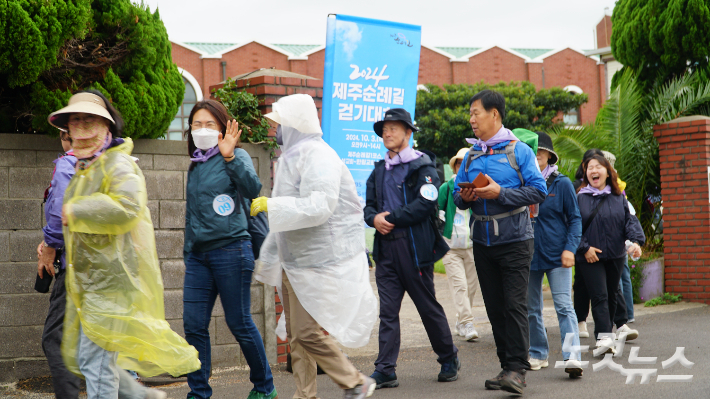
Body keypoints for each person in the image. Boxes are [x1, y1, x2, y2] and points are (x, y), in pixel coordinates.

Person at [50, 91, 200, 399]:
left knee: (96, 363)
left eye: (88, 120)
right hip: (94, 282)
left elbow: (127, 206)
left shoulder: (117, 164)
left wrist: (77, 210)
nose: (80, 128)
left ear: (106, 126)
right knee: (92, 358)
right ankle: (142, 395)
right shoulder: (88, 166)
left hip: (112, 283)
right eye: (74, 121)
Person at [253, 94, 378, 399]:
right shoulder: (290, 157)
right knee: (297, 338)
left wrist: (273, 204)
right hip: (296, 262)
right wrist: (272, 257)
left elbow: (319, 206)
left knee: (308, 333)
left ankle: (355, 381)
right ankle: (304, 394)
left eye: (280, 123)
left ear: (296, 123)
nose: (276, 130)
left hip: (319, 263)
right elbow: (287, 220)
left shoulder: (318, 156)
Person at [453, 90, 547, 395]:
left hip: (517, 240)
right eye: (470, 114)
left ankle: (518, 370)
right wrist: (465, 197)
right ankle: (507, 367)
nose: (471, 119)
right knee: (494, 308)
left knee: (515, 305)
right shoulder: (471, 155)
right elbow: (457, 196)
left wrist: (501, 194)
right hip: (482, 242)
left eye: (476, 112)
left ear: (495, 114)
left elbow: (538, 190)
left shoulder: (518, 151)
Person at [182, 99, 277, 399]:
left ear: (223, 128)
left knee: (239, 323)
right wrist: (188, 253)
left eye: (209, 124)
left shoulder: (237, 155)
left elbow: (253, 189)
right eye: (197, 124)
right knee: (194, 325)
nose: (202, 129)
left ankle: (265, 387)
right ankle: (199, 393)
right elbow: (191, 214)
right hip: (199, 257)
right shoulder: (196, 164)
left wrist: (230, 158)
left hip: (232, 251)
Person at [364, 108, 458, 389]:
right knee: (388, 312)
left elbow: (425, 203)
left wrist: (389, 218)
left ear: (408, 133)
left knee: (427, 307)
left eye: (394, 128)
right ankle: (385, 369)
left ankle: (449, 358)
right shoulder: (379, 169)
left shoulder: (423, 166)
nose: (388, 133)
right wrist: (373, 219)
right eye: (384, 129)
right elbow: (368, 206)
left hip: (415, 249)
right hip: (386, 251)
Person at [574, 154, 645, 355]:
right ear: (585, 173)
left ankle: (609, 334)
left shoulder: (618, 197)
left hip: (615, 254)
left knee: (612, 295)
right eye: (590, 168)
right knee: (599, 295)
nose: (594, 171)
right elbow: (571, 226)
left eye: (598, 167)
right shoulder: (579, 197)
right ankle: (603, 337)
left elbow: (629, 222)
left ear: (607, 172)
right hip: (590, 256)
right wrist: (584, 248)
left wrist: (635, 243)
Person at [526, 132, 583, 377]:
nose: (537, 154)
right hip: (528, 255)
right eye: (533, 150)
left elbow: (575, 219)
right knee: (531, 309)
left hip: (559, 255)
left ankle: (572, 357)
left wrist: (571, 248)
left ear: (550, 155)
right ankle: (538, 353)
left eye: (542, 151)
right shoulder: (522, 182)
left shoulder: (562, 183)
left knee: (563, 305)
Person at [38, 130, 80, 399]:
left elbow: (60, 210)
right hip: (102, 269)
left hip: (74, 268)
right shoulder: (114, 161)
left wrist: (50, 248)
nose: (66, 137)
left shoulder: (68, 163)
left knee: (54, 339)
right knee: (96, 346)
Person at [438, 147, 479, 341]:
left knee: (471, 287)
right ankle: (467, 321)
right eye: (459, 162)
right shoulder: (446, 187)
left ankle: (461, 321)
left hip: (472, 244)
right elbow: (437, 212)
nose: (462, 165)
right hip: (450, 246)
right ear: (454, 166)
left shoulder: (478, 189)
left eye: (467, 162)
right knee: (460, 285)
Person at [602, 150, 636, 323]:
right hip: (623, 234)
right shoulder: (619, 183)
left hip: (615, 236)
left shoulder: (609, 183)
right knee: (625, 275)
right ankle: (629, 314)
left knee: (617, 279)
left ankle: (620, 317)